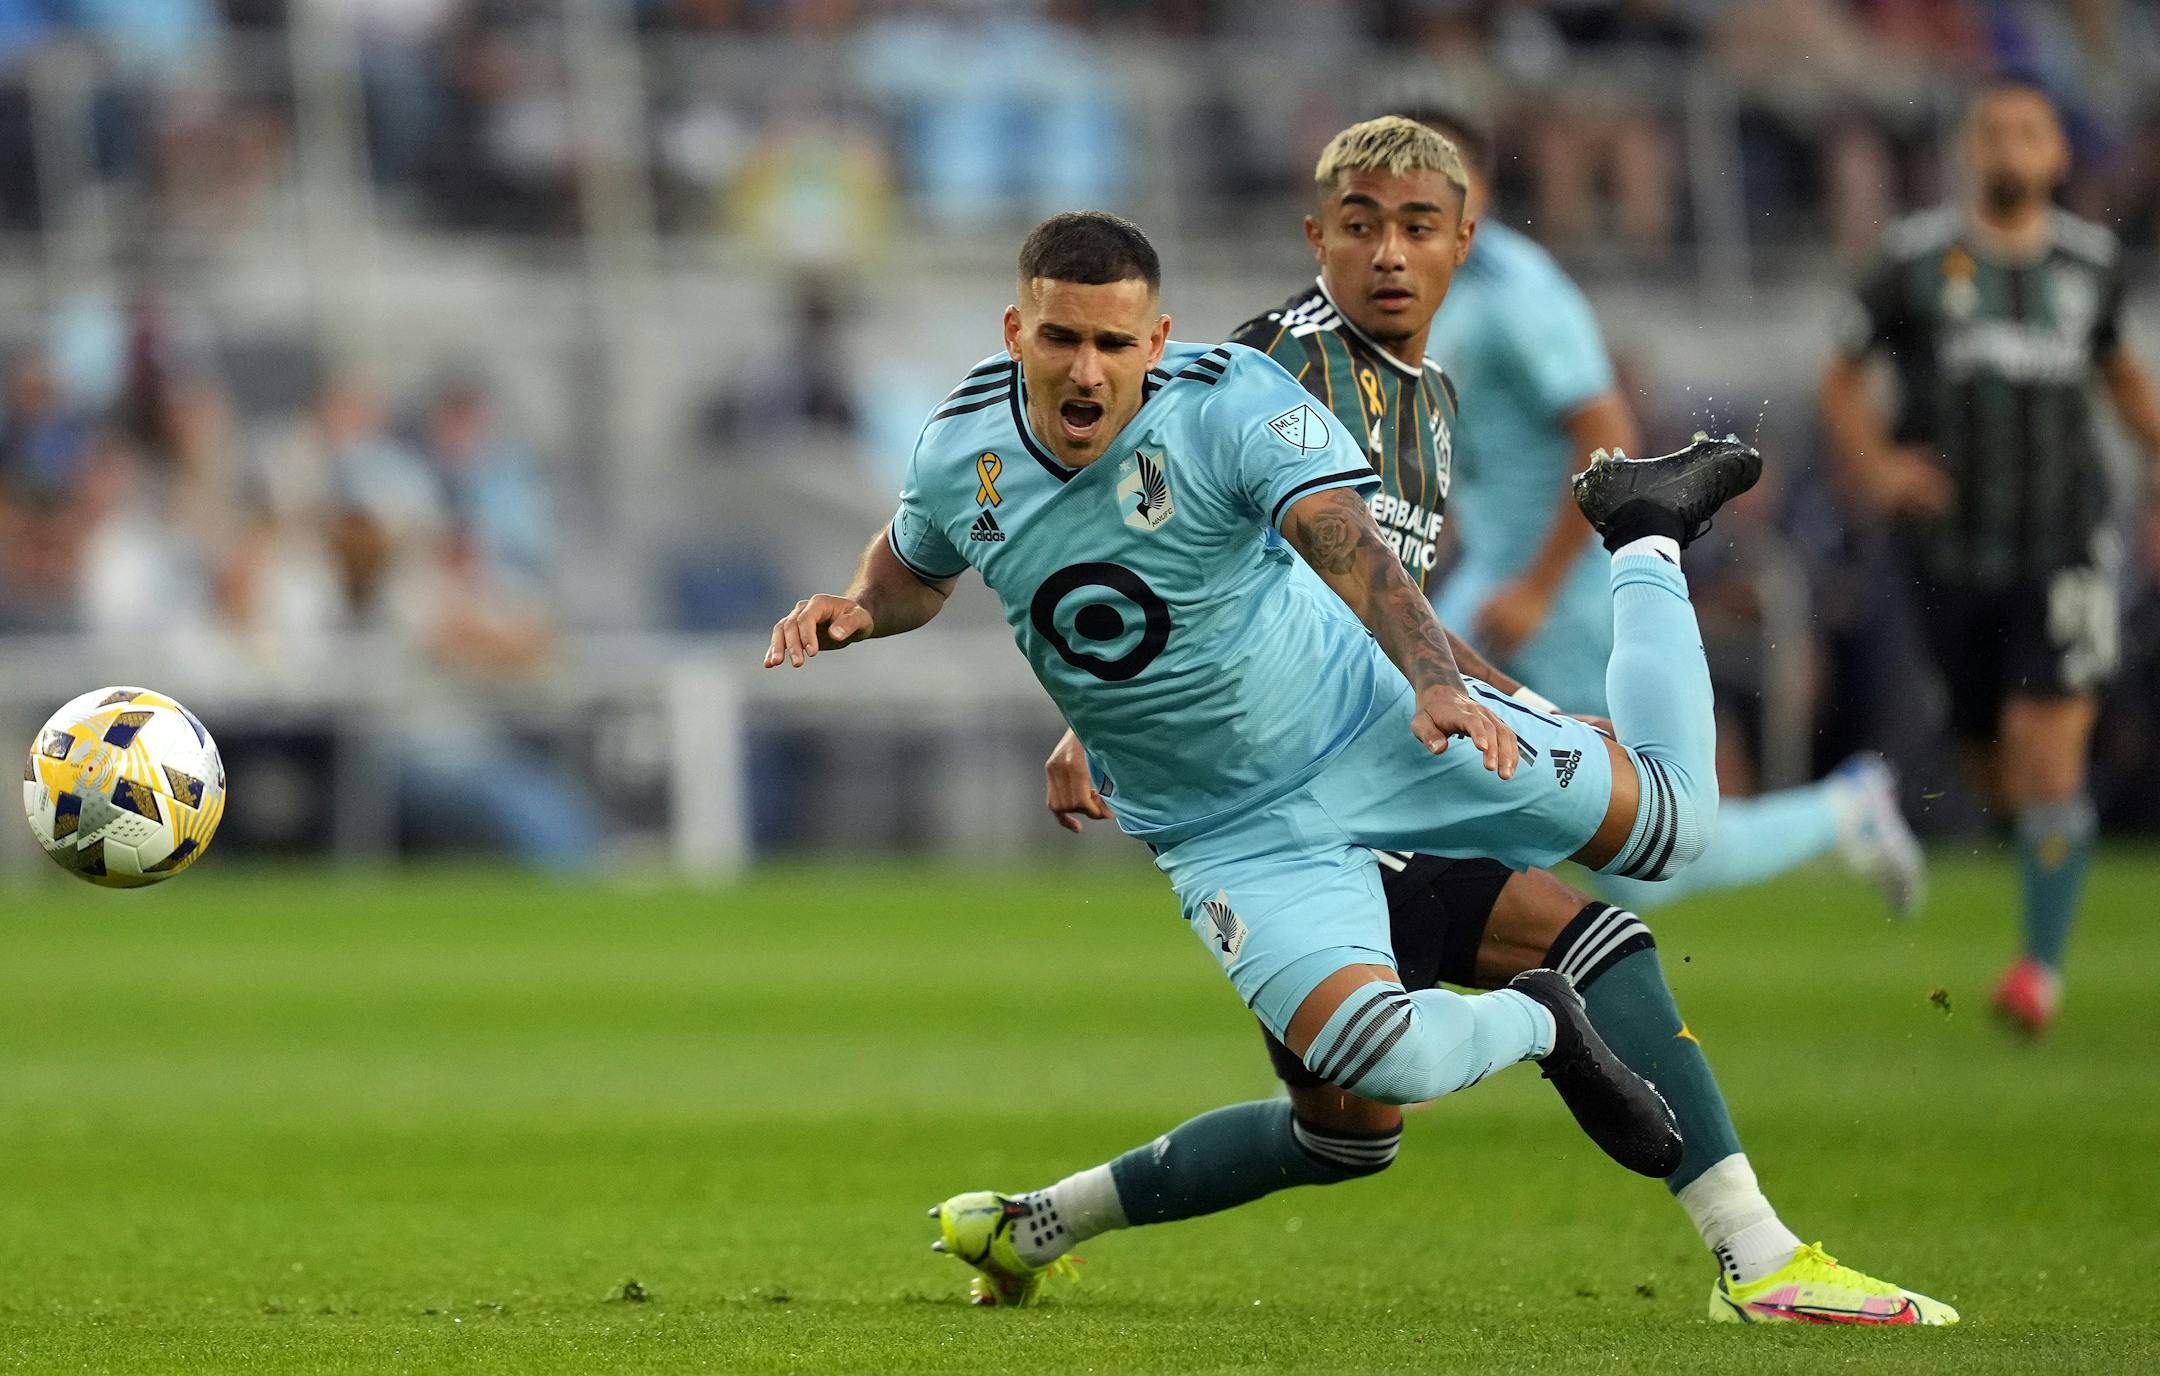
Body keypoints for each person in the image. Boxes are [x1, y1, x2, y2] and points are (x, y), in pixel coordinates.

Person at [1022, 118, 1955, 1327]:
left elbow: (1369, 589)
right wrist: (1092, 714)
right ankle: (1756, 1253)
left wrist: (1492, 692)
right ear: (1319, 240)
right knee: (1444, 1050)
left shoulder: (1423, 390)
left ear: (1466, 242)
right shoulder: (1272, 369)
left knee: (1418, 1074)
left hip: (1363, 764)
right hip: (1295, 796)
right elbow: (1114, 535)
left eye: (1418, 228)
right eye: (1361, 228)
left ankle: (1033, 1218)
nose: (1390, 255)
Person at [767, 198, 1769, 1288]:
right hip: (1227, 833)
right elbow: (916, 564)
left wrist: (1436, 681)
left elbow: (1349, 551)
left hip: (1373, 723)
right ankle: (1538, 1018)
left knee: (1676, 826)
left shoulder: (1232, 398)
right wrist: (861, 605)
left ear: (1159, 341)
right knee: (1369, 1083)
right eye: (1062, 339)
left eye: (1114, 343)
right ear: (1017, 333)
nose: (1088, 372)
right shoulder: (961, 445)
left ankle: (1646, 533)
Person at [1414, 107, 1926, 921]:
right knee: (1418, 749)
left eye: (1437, 176)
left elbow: (1607, 438)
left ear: (1479, 189)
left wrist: (1541, 589)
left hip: (1559, 590)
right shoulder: (1428, 288)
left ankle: (1843, 811)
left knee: (1646, 849)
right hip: (1491, 577)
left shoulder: (1521, 294)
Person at [1822, 80, 2160, 1035]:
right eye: (1994, 133)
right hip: (1948, 556)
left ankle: (2037, 976)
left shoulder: (2090, 265)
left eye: (2029, 132)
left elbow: (2120, 372)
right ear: (1971, 153)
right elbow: (1840, 374)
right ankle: (2043, 855)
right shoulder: (1915, 263)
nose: (2010, 148)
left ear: (2057, 155)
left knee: (2045, 749)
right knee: (1989, 761)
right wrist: (1877, 465)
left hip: (2065, 543)